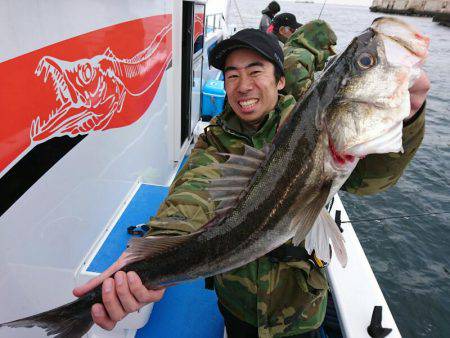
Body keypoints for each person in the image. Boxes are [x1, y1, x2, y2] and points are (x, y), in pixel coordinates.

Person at [73, 26, 429, 337]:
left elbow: (370, 180)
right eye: (231, 75)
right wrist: (148, 255)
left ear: (280, 80)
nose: (242, 86)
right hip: (238, 306)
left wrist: (408, 120)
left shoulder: (311, 125)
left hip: (299, 314)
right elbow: (192, 195)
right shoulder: (213, 143)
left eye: (255, 71)